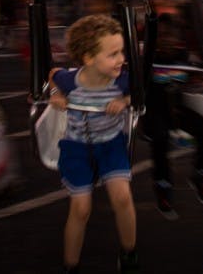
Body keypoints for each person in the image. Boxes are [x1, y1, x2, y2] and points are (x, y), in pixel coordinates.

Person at [48, 14, 139, 273]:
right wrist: (55, 94)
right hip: (77, 148)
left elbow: (139, 90)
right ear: (88, 58)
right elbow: (54, 74)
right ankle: (71, 265)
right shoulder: (70, 80)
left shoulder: (121, 79)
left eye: (121, 51)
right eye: (113, 54)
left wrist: (125, 102)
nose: (121, 59)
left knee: (122, 197)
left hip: (111, 144)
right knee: (81, 208)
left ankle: (129, 252)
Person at [144, 0, 203, 220]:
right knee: (161, 138)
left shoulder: (181, 55)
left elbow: (194, 78)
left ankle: (200, 177)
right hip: (154, 110)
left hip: (177, 108)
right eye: (163, 36)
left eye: (172, 36)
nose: (168, 40)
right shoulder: (147, 58)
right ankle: (163, 188)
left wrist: (198, 80)